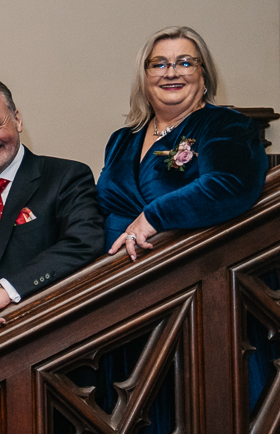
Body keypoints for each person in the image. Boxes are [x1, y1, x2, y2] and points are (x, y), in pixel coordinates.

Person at [0, 78, 107, 335]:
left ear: (16, 120)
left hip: (43, 342)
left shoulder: (65, 177)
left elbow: (84, 242)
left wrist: (8, 290)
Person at [98, 26, 268, 262]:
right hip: (111, 276)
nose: (171, 73)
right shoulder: (122, 139)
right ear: (144, 78)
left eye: (185, 63)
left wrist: (152, 218)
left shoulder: (226, 125)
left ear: (204, 75)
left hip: (191, 272)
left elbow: (229, 185)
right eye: (158, 64)